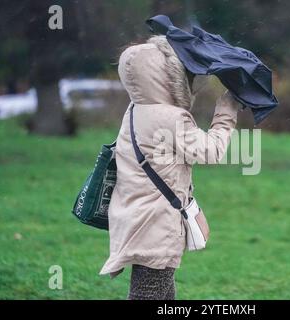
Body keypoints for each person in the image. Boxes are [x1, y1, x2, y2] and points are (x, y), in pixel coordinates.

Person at [99, 35, 241, 300]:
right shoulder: (169, 117)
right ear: (165, 75)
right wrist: (227, 110)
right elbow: (211, 151)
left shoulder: (134, 110)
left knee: (163, 295)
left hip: (136, 215)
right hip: (155, 223)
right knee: (147, 295)